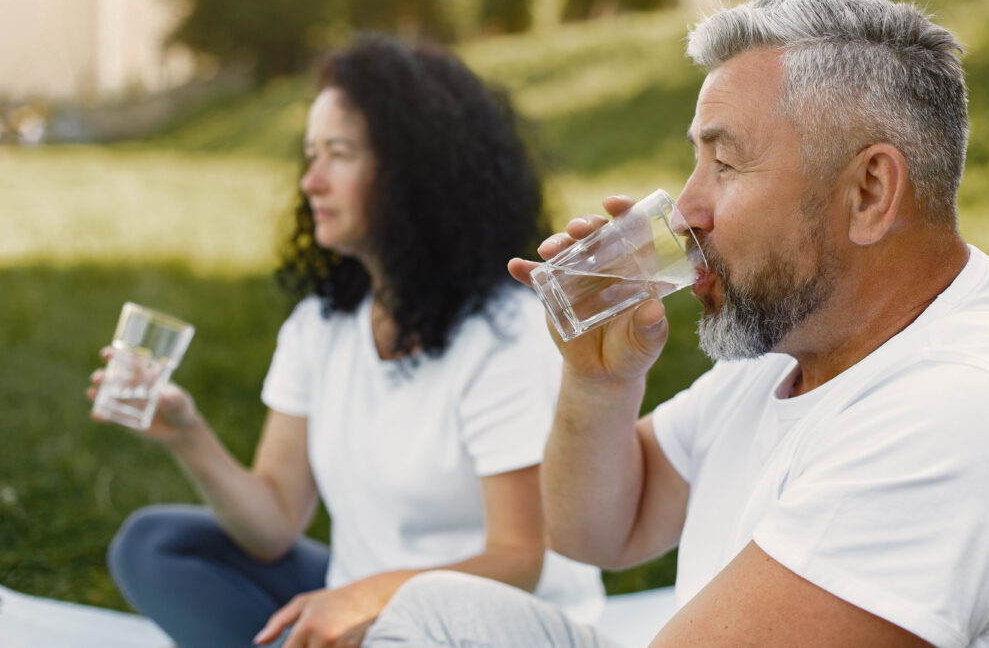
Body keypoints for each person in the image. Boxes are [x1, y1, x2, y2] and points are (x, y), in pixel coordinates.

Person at [356, 0, 989, 648]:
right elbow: (598, 531)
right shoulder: (795, 351)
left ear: (870, 191)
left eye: (724, 165)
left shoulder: (963, 414)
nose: (686, 209)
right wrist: (598, 385)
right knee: (432, 611)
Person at [89, 34, 604, 648]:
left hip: (493, 624)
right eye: (311, 154)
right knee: (155, 546)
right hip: (363, 609)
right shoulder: (321, 326)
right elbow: (274, 523)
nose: (311, 181)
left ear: (414, 171)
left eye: (338, 153)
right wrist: (186, 434)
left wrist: (362, 600)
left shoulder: (506, 332)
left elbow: (520, 560)